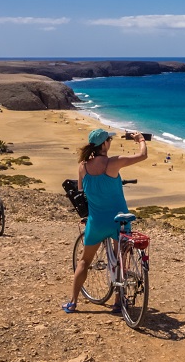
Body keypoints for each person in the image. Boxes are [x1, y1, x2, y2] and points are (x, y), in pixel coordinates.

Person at [63, 128, 148, 314]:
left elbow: (81, 190)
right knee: (120, 261)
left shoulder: (83, 167)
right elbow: (143, 155)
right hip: (119, 222)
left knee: (84, 262)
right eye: (109, 139)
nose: (110, 142)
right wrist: (140, 139)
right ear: (104, 144)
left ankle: (72, 303)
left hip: (97, 222)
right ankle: (119, 301)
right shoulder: (113, 163)